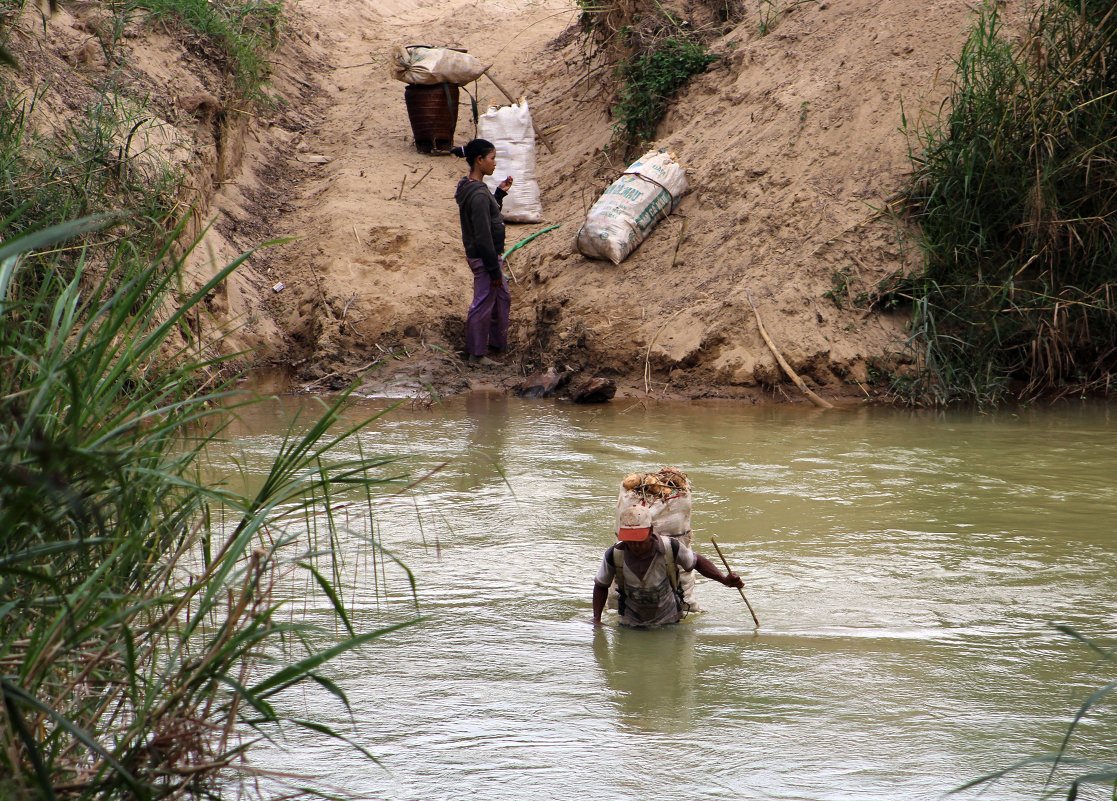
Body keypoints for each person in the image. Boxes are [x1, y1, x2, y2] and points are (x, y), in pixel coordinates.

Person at [592, 506, 744, 628]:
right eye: (630, 541)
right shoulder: (614, 554)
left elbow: (697, 562)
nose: (634, 546)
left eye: (639, 540)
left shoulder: (670, 547)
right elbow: (601, 585)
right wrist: (597, 620)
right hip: (630, 622)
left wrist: (724, 580)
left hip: (669, 621)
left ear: (651, 531)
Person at [452, 138, 512, 367]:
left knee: (502, 297)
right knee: (484, 301)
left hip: (486, 256)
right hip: (485, 257)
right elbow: (483, 235)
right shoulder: (476, 195)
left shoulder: (472, 188)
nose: (494, 163)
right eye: (492, 158)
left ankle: (495, 346)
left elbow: (489, 214)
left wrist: (499, 195)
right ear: (479, 160)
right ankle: (477, 354)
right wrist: (494, 270)